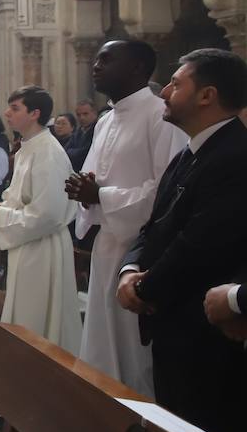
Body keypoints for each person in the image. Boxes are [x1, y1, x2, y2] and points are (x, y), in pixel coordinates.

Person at [117, 50, 247, 432]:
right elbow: (154, 225)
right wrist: (129, 269)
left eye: (176, 83)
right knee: (176, 427)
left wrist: (146, 287)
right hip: (171, 317)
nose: (165, 92)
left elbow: (201, 240)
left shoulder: (234, 156)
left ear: (206, 95)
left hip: (204, 328)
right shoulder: (190, 153)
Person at [66, 40, 184, 395]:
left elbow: (166, 190)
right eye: (96, 59)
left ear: (137, 68)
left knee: (134, 352)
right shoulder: (104, 121)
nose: (96, 66)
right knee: (102, 343)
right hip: (107, 245)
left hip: (141, 253)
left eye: (106, 59)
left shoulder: (160, 115)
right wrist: (84, 191)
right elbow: (92, 179)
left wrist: (99, 195)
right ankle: (104, 421)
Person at [0, 86, 81, 353]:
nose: (7, 113)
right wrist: (3, 206)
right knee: (24, 318)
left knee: (37, 320)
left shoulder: (48, 151)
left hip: (42, 247)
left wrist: (3, 214)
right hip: (27, 243)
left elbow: (48, 214)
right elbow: (23, 197)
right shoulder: (29, 146)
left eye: (15, 108)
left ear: (35, 113)